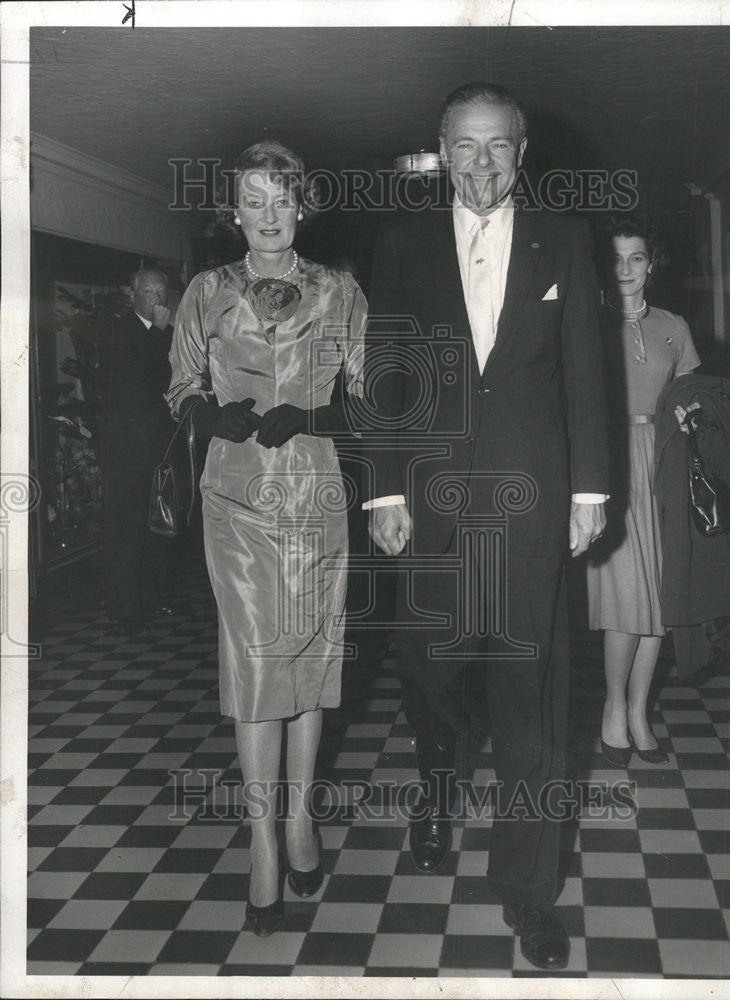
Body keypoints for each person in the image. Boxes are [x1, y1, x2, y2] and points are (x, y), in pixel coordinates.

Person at [364, 83, 609, 970]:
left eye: (496, 147)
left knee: (533, 711)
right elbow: (384, 373)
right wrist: (383, 495)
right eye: (463, 148)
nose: (480, 165)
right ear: (440, 150)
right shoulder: (397, 245)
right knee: (428, 671)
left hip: (533, 508)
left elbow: (587, 369)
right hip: (427, 506)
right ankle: (436, 780)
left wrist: (588, 492)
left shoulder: (565, 241)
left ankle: (529, 895)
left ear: (521, 149)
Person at [167, 141, 365, 936]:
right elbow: (179, 384)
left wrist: (316, 417)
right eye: (253, 200)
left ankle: (299, 820)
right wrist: (207, 414)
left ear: (303, 204)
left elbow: (370, 393)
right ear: (234, 212)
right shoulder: (205, 290)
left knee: (310, 656)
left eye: (281, 198)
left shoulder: (341, 289)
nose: (268, 214)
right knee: (255, 661)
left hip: (316, 490)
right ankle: (259, 841)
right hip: (238, 498)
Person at [586, 215, 700, 765]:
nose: (625, 268)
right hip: (610, 465)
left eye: (636, 257)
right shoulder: (587, 322)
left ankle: (638, 710)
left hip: (664, 464)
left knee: (662, 598)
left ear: (652, 264)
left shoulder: (675, 325)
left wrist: (689, 411)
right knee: (625, 599)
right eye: (615, 258)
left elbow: (693, 393)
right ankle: (612, 706)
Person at [100, 266, 176, 633]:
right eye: (149, 292)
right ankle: (122, 604)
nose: (157, 299)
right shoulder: (120, 330)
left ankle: (154, 597)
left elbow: (170, 379)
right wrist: (161, 334)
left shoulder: (167, 333)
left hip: (158, 445)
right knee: (127, 527)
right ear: (133, 294)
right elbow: (138, 377)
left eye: (162, 292)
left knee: (156, 523)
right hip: (127, 448)